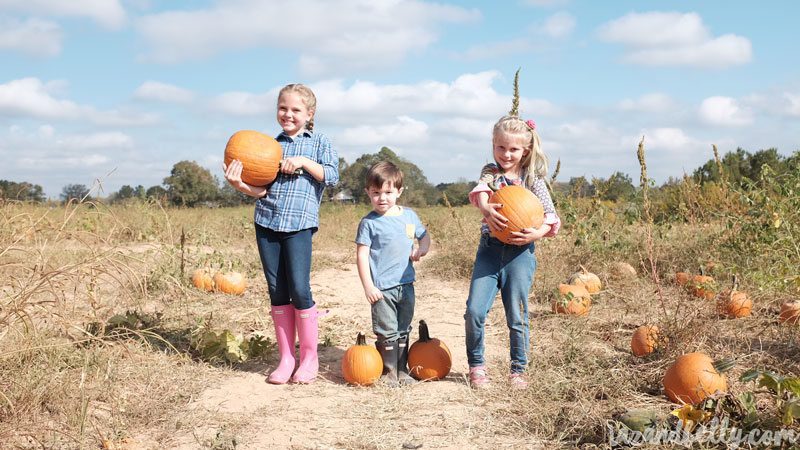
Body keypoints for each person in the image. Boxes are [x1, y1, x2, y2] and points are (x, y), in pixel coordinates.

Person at [223, 83, 339, 384]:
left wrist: (301, 162)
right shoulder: (269, 146)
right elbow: (262, 190)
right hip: (267, 221)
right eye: (283, 108)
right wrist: (239, 185)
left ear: (309, 114)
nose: (288, 114)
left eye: (296, 110)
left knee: (299, 288)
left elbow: (333, 175)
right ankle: (287, 358)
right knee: (277, 290)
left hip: (299, 224)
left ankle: (309, 359)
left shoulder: (319, 143)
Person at [464, 115, 560, 390]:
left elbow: (551, 217)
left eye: (513, 149)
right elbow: (482, 191)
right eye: (500, 147)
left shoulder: (533, 180)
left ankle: (518, 371)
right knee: (474, 310)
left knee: (517, 315)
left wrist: (538, 232)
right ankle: (477, 367)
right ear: (493, 146)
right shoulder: (491, 173)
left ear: (525, 150)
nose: (506, 154)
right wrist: (485, 208)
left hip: (521, 255)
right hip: (490, 252)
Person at [355, 161, 431, 385]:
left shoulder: (409, 216)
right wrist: (368, 286)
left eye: (388, 192)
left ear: (399, 192)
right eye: (376, 192)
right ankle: (388, 372)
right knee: (387, 330)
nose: (382, 198)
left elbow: (424, 235)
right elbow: (362, 256)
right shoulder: (369, 223)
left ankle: (402, 370)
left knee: (403, 328)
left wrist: (422, 248)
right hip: (382, 288)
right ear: (368, 192)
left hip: (406, 284)